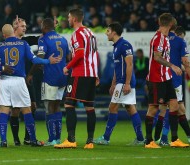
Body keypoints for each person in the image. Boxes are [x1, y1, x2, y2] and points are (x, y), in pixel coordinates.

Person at [0, 24, 61, 147]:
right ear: (13, 32)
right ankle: (32, 139)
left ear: (4, 35)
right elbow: (35, 60)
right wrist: (48, 61)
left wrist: (0, 68)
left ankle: (3, 141)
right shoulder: (23, 44)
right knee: (27, 109)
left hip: (4, 81)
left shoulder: (0, 46)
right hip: (18, 80)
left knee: (4, 110)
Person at [54, 8, 99, 149]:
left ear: (74, 19)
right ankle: (90, 142)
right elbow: (94, 55)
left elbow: (79, 55)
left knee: (68, 104)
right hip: (91, 74)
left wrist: (67, 67)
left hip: (80, 73)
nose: (67, 20)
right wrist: (96, 74)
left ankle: (71, 140)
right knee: (89, 107)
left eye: (68, 17)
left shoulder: (77, 34)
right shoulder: (90, 33)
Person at [94, 22, 144, 146]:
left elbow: (130, 64)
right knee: (130, 108)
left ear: (114, 32)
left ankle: (106, 138)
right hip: (120, 82)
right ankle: (140, 138)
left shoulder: (125, 44)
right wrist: (113, 83)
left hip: (124, 82)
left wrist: (126, 83)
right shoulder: (116, 46)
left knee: (112, 107)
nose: (106, 33)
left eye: (108, 31)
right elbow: (118, 67)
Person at [145, 13, 189, 148]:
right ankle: (149, 141)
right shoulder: (158, 38)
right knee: (153, 108)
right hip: (156, 79)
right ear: (170, 24)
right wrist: (173, 66)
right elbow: (157, 57)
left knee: (175, 105)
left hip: (166, 78)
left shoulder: (164, 38)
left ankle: (174, 139)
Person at [28, 18, 70, 146]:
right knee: (57, 105)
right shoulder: (63, 39)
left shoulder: (43, 39)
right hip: (63, 76)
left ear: (45, 26)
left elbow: (40, 57)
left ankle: (52, 139)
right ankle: (57, 137)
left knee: (49, 107)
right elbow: (69, 58)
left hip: (50, 77)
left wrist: (30, 73)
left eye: (41, 25)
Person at [154, 25, 190, 145]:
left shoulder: (162, 39)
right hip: (174, 79)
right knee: (179, 108)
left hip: (162, 78)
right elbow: (185, 61)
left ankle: (157, 138)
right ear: (179, 34)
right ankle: (168, 137)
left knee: (163, 109)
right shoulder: (180, 41)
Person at [9, 16, 40, 146]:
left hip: (27, 80)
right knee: (15, 109)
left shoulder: (26, 41)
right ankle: (16, 139)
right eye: (22, 26)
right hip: (15, 80)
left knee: (32, 106)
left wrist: (51, 29)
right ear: (15, 27)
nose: (25, 28)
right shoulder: (8, 42)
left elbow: (39, 38)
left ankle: (28, 137)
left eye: (25, 26)